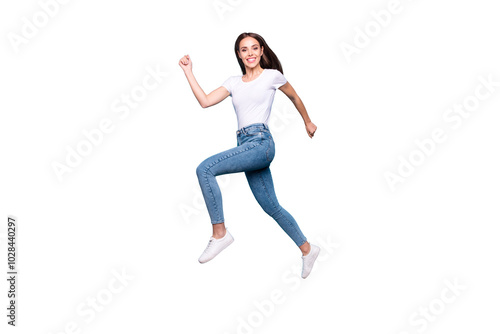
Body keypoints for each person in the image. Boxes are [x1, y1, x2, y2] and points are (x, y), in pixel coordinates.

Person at [179, 32, 320, 278]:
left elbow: (295, 97)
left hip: (261, 144)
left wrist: (307, 122)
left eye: (255, 48)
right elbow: (205, 101)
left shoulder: (272, 76)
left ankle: (219, 233)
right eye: (245, 50)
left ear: (262, 51)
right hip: (245, 144)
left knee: (205, 169)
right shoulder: (233, 82)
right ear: (239, 54)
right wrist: (188, 71)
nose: (250, 53)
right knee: (272, 206)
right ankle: (308, 249)